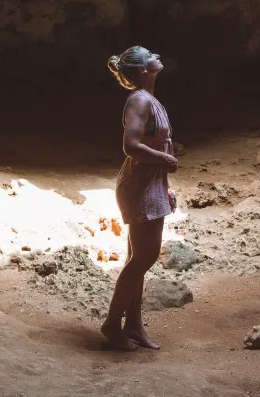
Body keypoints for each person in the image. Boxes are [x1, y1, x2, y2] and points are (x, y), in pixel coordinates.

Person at [101, 46, 178, 351]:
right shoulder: (140, 100)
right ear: (143, 69)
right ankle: (112, 323)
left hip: (149, 182)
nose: (157, 54)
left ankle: (132, 324)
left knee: (138, 258)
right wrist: (164, 159)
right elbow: (130, 145)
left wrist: (165, 178)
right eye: (150, 55)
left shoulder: (147, 98)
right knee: (145, 257)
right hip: (141, 184)